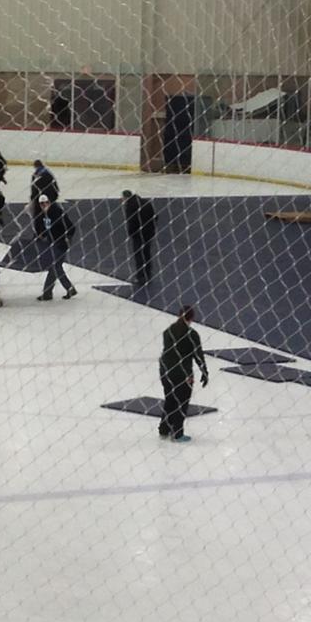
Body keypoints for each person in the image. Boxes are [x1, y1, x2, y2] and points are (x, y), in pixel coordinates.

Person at [158, 305, 209, 443]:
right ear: (191, 318)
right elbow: (198, 355)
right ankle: (177, 433)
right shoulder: (192, 334)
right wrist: (204, 372)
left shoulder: (168, 331)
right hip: (183, 373)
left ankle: (164, 428)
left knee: (170, 399)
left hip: (165, 371)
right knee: (182, 402)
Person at [33, 195, 77, 301]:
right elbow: (39, 230)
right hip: (50, 245)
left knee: (55, 267)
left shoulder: (57, 212)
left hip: (60, 244)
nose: (44, 205)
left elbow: (71, 227)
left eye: (46, 202)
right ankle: (64, 290)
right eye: (42, 204)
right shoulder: (39, 215)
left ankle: (49, 292)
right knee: (55, 267)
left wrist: (68, 238)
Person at [122, 190, 157, 284]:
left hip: (138, 234)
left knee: (138, 255)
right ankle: (148, 273)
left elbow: (132, 220)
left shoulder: (130, 206)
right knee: (147, 253)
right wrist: (152, 229)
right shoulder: (146, 202)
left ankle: (140, 276)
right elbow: (155, 217)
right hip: (148, 233)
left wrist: (131, 233)